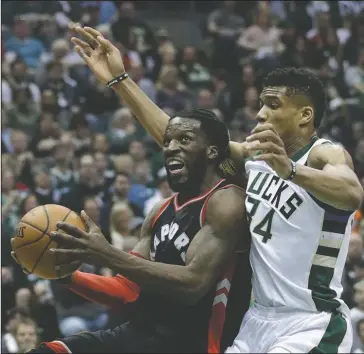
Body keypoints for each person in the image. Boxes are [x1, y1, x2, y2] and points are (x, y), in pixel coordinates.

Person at [67, 26, 364, 353]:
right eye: (262, 103)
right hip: (257, 321)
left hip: (310, 321)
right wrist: (121, 81)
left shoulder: (322, 154)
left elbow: (352, 192)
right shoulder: (256, 159)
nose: (261, 112)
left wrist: (291, 170)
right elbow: (183, 141)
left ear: (305, 115)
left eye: (274, 105)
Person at [17, 109, 250, 353]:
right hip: (138, 335)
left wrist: (107, 255)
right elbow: (126, 289)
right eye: (168, 140)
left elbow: (193, 284)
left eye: (184, 139)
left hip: (189, 345)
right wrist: (63, 274)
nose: (170, 147)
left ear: (212, 150)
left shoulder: (226, 201)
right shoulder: (159, 211)